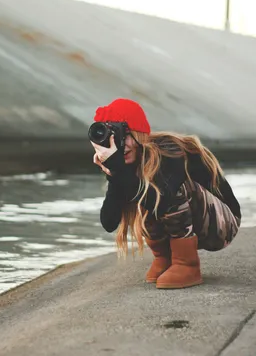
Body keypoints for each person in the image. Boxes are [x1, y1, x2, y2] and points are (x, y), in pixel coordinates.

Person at [90, 98, 241, 289]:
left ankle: (187, 264)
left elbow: (164, 200)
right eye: (115, 138)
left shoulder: (169, 149)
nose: (123, 144)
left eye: (126, 135)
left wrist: (119, 170)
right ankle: (166, 258)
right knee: (141, 191)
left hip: (222, 224)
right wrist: (113, 173)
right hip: (193, 223)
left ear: (140, 134)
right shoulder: (124, 165)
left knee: (159, 190)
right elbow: (108, 222)